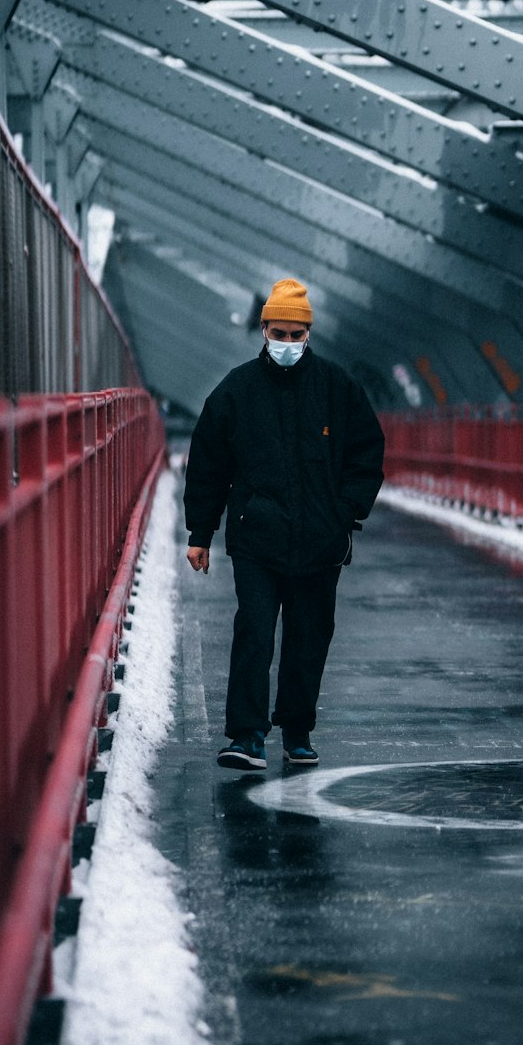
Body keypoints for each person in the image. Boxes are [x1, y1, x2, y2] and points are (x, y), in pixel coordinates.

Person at [184, 278, 385, 771]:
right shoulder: (237, 391)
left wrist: (345, 512)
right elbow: (208, 462)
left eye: (297, 335)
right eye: (280, 333)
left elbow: (367, 453)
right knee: (254, 630)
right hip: (257, 538)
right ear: (264, 330)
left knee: (309, 636)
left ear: (309, 334)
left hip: (321, 540)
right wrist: (200, 534)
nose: (289, 344)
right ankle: (247, 736)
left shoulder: (338, 389)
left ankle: (297, 732)